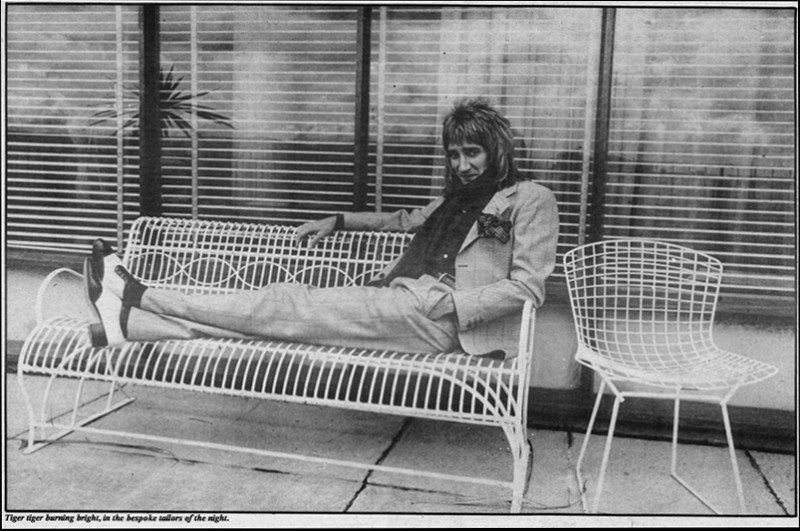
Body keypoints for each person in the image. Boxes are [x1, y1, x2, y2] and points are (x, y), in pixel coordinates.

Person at [84, 98, 559, 360]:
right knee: (281, 322)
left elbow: (527, 287)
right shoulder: (454, 199)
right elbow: (404, 221)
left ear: (496, 151)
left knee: (282, 304)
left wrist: (452, 303)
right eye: (454, 155)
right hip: (406, 301)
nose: (463, 165)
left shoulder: (531, 198)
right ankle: (130, 324)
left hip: (439, 316)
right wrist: (336, 220)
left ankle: (139, 296)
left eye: (472, 153)